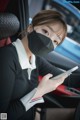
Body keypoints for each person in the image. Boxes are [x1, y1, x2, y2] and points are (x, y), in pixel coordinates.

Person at [0, 10, 67, 120]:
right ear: (31, 28)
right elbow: (2, 117)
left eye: (56, 41)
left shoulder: (35, 59)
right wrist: (39, 92)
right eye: (45, 31)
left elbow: (65, 76)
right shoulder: (6, 58)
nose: (48, 41)